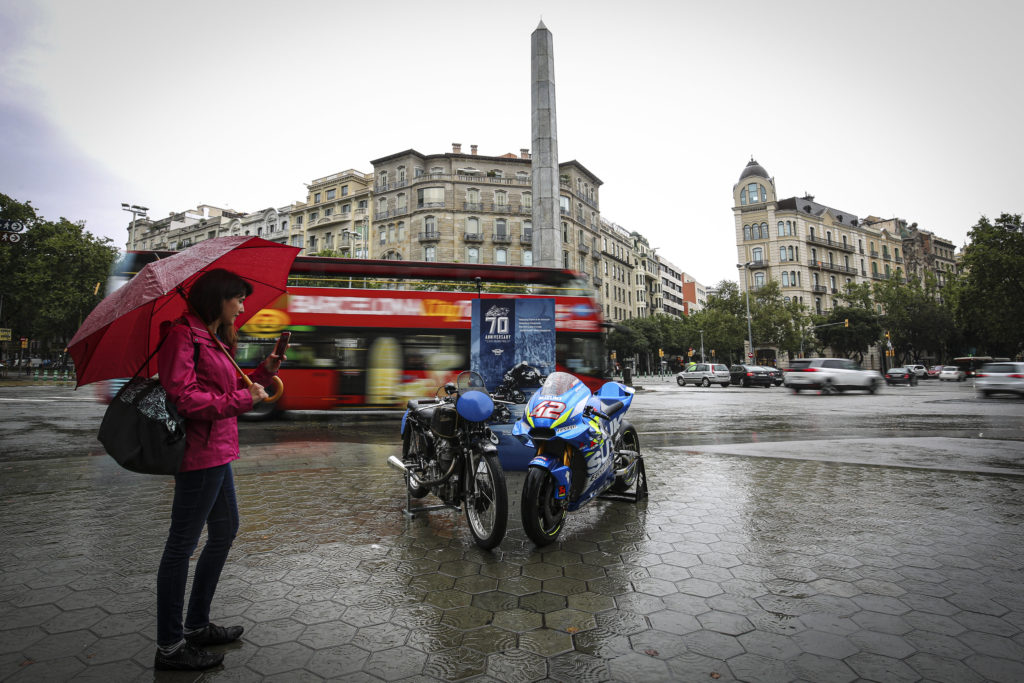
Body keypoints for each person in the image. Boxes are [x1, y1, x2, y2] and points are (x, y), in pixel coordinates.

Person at [153, 269, 282, 671]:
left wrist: (264, 372)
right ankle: (170, 647)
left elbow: (228, 388)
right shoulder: (182, 336)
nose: (242, 307)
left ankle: (196, 625)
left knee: (224, 532)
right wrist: (244, 400)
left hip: (220, 451)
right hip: (198, 454)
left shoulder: (213, 338)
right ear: (217, 298)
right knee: (181, 547)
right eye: (238, 299)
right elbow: (185, 399)